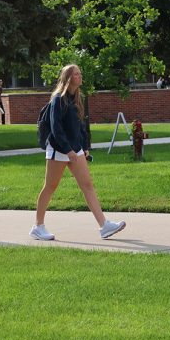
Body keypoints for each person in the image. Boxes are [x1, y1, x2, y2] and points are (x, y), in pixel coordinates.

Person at [31, 64, 126, 241]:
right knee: (50, 187)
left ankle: (104, 226)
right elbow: (55, 127)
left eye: (80, 74)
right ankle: (38, 226)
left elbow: (79, 126)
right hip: (59, 149)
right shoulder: (58, 100)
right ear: (68, 78)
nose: (80, 76)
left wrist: (84, 145)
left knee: (87, 185)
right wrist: (67, 149)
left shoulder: (76, 98)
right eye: (76, 74)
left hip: (75, 149)